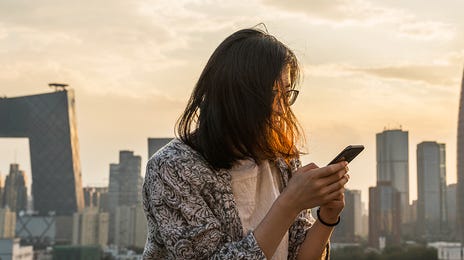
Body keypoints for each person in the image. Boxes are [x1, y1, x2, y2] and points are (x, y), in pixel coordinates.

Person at [142, 26, 350, 260]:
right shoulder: (173, 169)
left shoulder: (281, 159)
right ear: (235, 94)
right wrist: (289, 203)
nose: (282, 109)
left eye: (287, 94)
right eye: (273, 94)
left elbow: (298, 255)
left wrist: (327, 216)